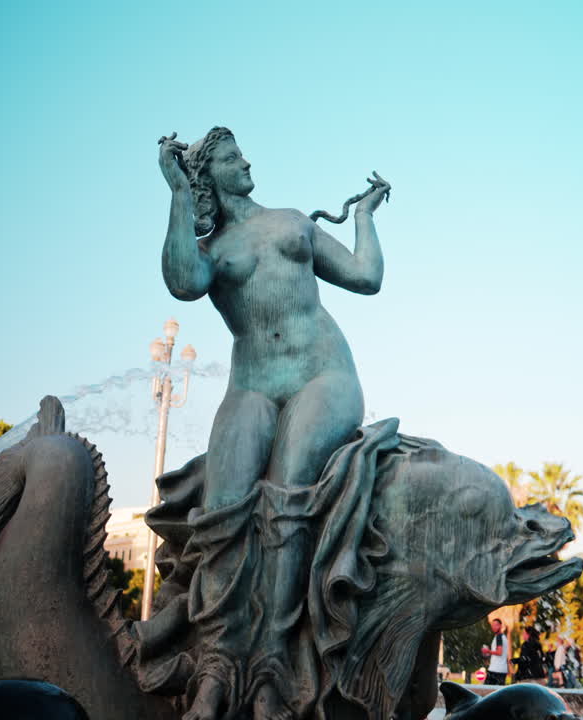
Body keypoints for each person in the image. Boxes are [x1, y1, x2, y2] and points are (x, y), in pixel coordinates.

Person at [156, 127, 391, 720]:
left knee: (286, 500)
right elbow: (183, 283)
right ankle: (215, 667)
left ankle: (271, 670)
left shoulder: (292, 222)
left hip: (323, 375)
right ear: (210, 174)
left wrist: (364, 214)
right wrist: (178, 194)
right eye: (234, 158)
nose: (247, 162)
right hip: (254, 384)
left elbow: (366, 276)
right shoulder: (210, 249)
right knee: (223, 512)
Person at [480, 618, 510, 686]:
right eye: (492, 625)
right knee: (498, 692)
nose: (494, 627)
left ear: (500, 626)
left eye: (496, 625)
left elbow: (499, 652)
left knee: (486, 690)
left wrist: (487, 651)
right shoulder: (503, 637)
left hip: (495, 669)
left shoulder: (499, 637)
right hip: (502, 670)